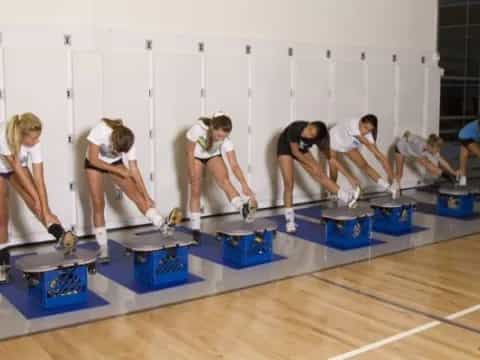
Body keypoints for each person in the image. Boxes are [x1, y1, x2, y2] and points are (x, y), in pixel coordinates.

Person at [0, 113, 75, 283]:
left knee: (40, 207)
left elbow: (40, 180)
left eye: (38, 137)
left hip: (17, 166)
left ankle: (65, 240)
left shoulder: (34, 143)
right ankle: (2, 266)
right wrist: (37, 201)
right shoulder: (4, 136)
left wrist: (44, 208)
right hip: (4, 166)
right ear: (21, 134)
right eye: (33, 139)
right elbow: (17, 169)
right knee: (2, 217)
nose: (36, 142)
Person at [85, 118, 169, 262]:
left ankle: (162, 224)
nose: (119, 152)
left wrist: (146, 195)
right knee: (98, 203)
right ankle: (103, 248)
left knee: (137, 195)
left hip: (114, 163)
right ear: (112, 140)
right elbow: (93, 159)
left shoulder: (128, 141)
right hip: (94, 164)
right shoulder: (101, 129)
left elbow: (134, 171)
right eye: (118, 150)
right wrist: (118, 171)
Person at [277, 121, 360, 233]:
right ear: (309, 124)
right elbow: (295, 152)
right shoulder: (296, 127)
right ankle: (290, 221)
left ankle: (346, 197)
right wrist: (312, 165)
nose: (308, 134)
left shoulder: (319, 139)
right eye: (309, 130)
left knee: (320, 173)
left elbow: (331, 159)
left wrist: (349, 177)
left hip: (301, 148)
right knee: (289, 183)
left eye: (312, 135)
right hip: (286, 148)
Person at [186, 113, 256, 237]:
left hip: (212, 156)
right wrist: (191, 172)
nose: (220, 139)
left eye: (223, 137)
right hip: (195, 156)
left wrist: (244, 185)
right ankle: (195, 228)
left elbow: (234, 165)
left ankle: (242, 208)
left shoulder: (226, 141)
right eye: (218, 135)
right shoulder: (198, 129)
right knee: (196, 189)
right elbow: (190, 151)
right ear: (212, 128)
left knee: (224, 181)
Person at [329, 114, 394, 194]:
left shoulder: (368, 135)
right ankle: (332, 193)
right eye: (365, 128)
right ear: (360, 122)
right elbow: (367, 143)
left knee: (364, 165)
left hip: (348, 145)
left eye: (369, 130)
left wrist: (393, 179)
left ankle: (387, 187)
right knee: (333, 169)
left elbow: (379, 156)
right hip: (333, 140)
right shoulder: (353, 124)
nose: (365, 132)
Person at [392, 131, 459, 196]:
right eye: (436, 150)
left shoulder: (430, 148)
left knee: (430, 166)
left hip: (414, 153)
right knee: (399, 175)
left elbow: (442, 160)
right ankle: (396, 192)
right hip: (399, 149)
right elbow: (407, 133)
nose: (436, 152)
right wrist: (405, 137)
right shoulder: (418, 142)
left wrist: (453, 172)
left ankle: (450, 177)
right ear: (430, 146)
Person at [458, 119, 480, 185]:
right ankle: (462, 180)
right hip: (467, 137)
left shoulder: (476, 124)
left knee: (463, 158)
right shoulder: (476, 125)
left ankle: (462, 181)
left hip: (462, 135)